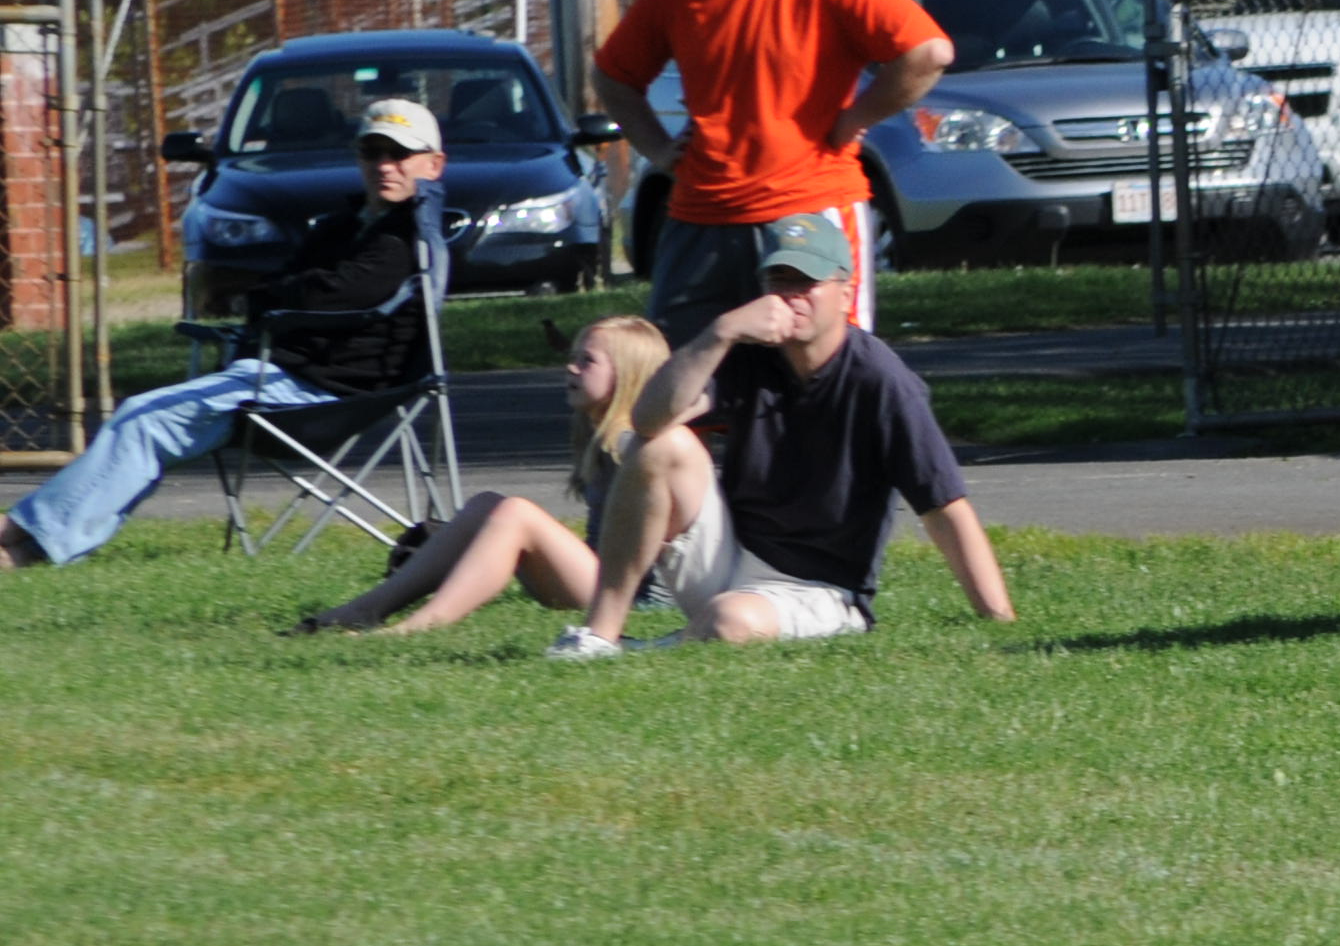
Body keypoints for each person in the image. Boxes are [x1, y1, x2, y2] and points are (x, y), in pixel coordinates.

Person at [3, 101, 449, 570]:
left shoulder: (405, 240)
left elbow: (325, 295)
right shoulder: (344, 226)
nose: (385, 166)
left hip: (322, 395)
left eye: (400, 154)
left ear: (434, 164)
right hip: (281, 375)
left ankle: (24, 538)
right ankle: (33, 539)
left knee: (144, 421)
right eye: (372, 152)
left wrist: (273, 297)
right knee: (141, 419)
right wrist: (278, 296)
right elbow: (294, 286)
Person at [560, 209, 1014, 654]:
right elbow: (648, 419)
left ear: (845, 294)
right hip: (732, 558)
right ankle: (599, 637)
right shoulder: (751, 354)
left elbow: (943, 506)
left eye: (806, 282)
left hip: (822, 590)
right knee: (661, 446)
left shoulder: (881, 381)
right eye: (779, 281)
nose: (791, 296)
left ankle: (647, 649)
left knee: (731, 620)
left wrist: (999, 619)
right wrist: (721, 332)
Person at [592, 0, 952, 341]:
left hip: (809, 213)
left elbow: (928, 53)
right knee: (683, 370)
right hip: (700, 218)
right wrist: (657, 149)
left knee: (822, 370)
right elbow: (612, 75)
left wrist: (855, 118)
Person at [296, 316, 675, 633]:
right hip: (600, 579)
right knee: (486, 505)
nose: (570, 368)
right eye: (572, 357)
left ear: (627, 376)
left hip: (635, 597)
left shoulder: (636, 448)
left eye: (586, 361)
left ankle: (419, 626)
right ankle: (364, 610)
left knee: (516, 514)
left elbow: (648, 557)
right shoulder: (599, 435)